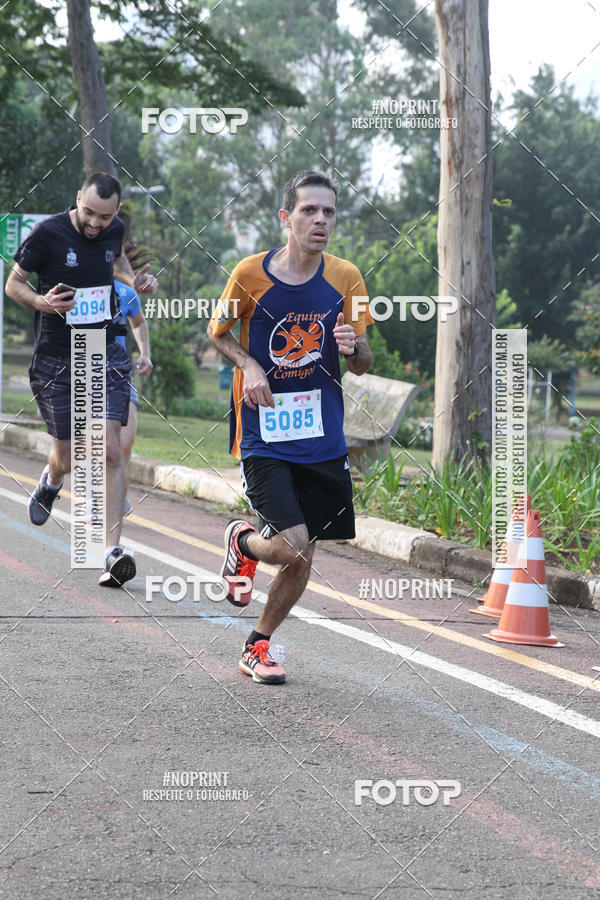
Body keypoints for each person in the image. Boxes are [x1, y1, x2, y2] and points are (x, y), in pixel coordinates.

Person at [208, 169, 373, 685]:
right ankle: (245, 543)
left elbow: (366, 359)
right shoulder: (249, 273)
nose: (320, 220)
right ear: (286, 217)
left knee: (305, 554)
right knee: (292, 545)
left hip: (322, 436)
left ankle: (258, 645)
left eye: (328, 212)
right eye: (309, 210)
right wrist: (249, 365)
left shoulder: (348, 278)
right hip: (264, 433)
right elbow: (218, 333)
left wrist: (354, 347)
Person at [5, 172, 158, 587]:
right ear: (78, 199)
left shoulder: (115, 231)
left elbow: (119, 260)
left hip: (104, 348)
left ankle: (111, 551)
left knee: (110, 452)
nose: (95, 223)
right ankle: (52, 480)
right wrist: (41, 302)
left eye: (105, 217)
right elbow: (12, 284)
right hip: (56, 356)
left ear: (116, 214)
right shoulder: (46, 234)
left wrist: (135, 280)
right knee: (69, 456)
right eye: (89, 212)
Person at [113, 276, 153, 515]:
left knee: (126, 440)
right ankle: (96, 496)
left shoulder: (125, 293)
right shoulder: (77, 286)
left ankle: (116, 488)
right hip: (85, 369)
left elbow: (138, 322)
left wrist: (145, 353)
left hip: (119, 370)